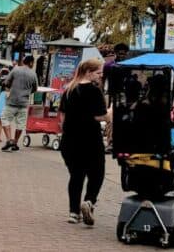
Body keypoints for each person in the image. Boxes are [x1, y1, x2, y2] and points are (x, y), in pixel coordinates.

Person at [58, 59, 108, 225]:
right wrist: (111, 114)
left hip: (69, 140)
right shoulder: (94, 91)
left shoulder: (69, 90)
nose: (100, 76)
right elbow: (99, 116)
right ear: (89, 72)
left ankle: (73, 212)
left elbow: (62, 117)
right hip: (90, 139)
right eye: (98, 73)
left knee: (76, 175)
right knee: (97, 173)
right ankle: (89, 201)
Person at [0, 55, 38, 152]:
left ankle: (9, 140)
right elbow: (35, 89)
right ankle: (15, 143)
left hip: (12, 101)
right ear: (30, 63)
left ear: (23, 61)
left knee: (5, 119)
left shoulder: (15, 70)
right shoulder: (33, 74)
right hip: (24, 103)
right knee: (20, 124)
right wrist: (27, 92)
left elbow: (7, 83)